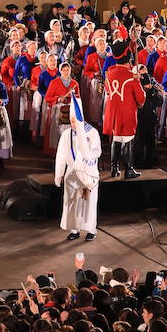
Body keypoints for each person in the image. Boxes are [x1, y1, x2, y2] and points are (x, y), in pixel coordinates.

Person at [54, 101, 101, 241]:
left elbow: (97, 151)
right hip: (72, 172)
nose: (73, 124)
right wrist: (59, 174)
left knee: (88, 202)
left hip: (87, 172)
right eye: (72, 121)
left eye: (76, 121)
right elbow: (61, 155)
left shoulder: (92, 132)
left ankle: (91, 229)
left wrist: (87, 153)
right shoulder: (66, 134)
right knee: (71, 201)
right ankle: (74, 229)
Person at [103, 42, 145, 178]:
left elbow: (108, 90)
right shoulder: (131, 76)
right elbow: (141, 98)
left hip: (113, 111)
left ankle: (114, 168)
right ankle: (129, 169)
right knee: (128, 139)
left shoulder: (109, 73)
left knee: (117, 138)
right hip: (127, 111)